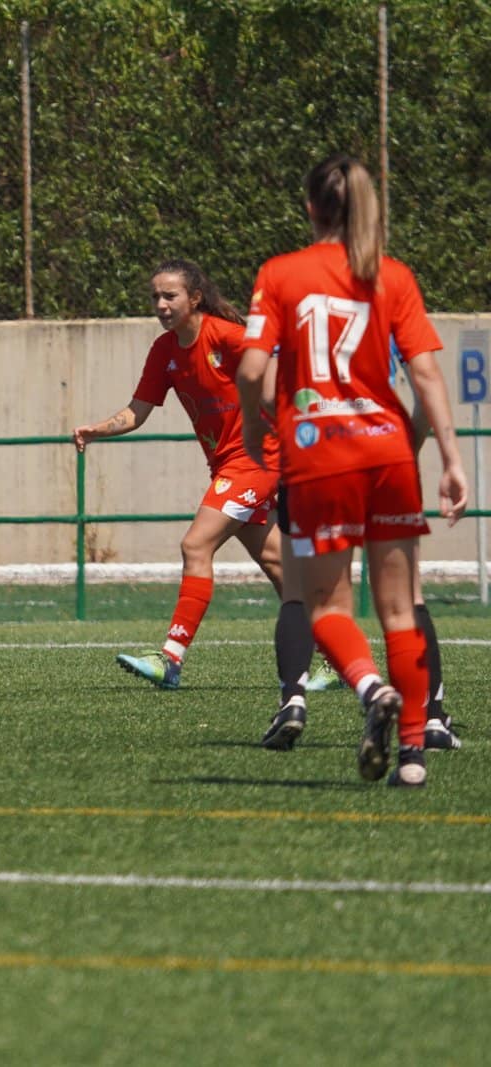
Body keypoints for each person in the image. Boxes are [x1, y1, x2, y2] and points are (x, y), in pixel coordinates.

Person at [238, 153, 467, 787]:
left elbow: (253, 370)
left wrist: (259, 434)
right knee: (401, 608)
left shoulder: (282, 274)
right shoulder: (392, 275)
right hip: (390, 452)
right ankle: (415, 755)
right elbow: (425, 375)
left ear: (311, 207)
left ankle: (370, 690)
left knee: (324, 605)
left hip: (318, 455)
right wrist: (449, 457)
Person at [74, 259, 311, 691]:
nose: (161, 305)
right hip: (227, 465)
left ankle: (170, 658)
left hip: (257, 460)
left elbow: (279, 384)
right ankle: (339, 661)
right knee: (279, 564)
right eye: (155, 297)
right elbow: (136, 411)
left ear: (194, 298)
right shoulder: (164, 351)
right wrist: (99, 428)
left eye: (170, 296)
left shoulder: (228, 337)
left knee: (195, 543)